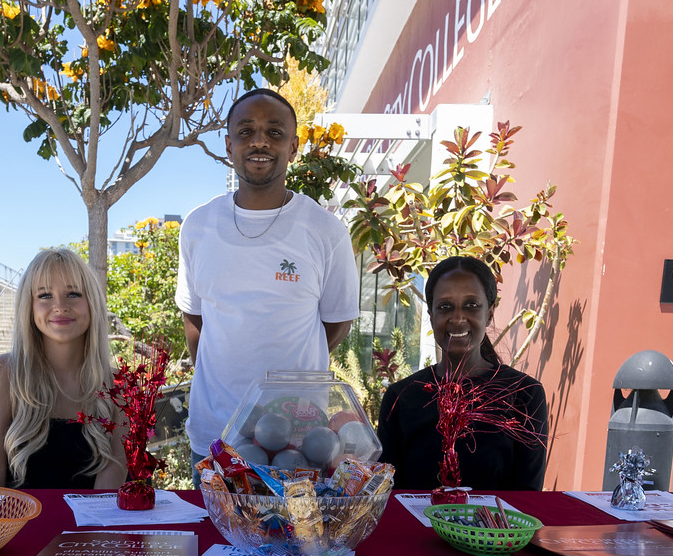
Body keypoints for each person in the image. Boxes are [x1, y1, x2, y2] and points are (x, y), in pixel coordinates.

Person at [176, 87, 360, 465]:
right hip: (214, 435)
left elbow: (337, 323)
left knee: (299, 509)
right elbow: (194, 318)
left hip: (298, 440)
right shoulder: (198, 226)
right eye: (246, 131)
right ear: (229, 145)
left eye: (274, 132)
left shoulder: (325, 231)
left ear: (293, 147)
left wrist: (288, 381)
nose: (259, 141)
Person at [377, 255, 549, 490]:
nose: (458, 318)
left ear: (490, 312)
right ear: (431, 315)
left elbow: (528, 497)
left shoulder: (524, 395)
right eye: (445, 307)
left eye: (471, 305)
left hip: (498, 517)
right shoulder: (401, 398)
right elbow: (388, 495)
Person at [0, 246, 124, 489]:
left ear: (92, 302)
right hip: (14, 516)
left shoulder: (121, 386)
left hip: (98, 517)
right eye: (44, 295)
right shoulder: (1, 374)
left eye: (73, 293)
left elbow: (108, 497)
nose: (60, 306)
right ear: (29, 307)